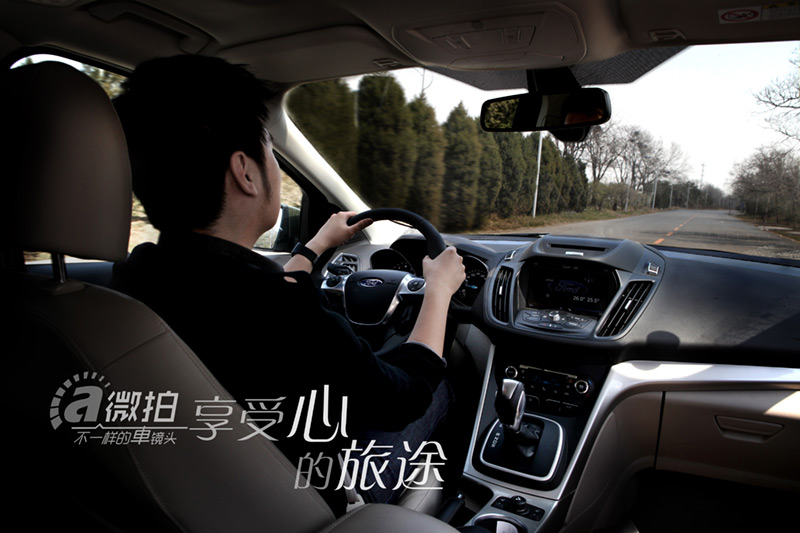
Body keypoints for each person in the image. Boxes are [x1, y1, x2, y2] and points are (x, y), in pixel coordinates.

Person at [110, 55, 465, 514]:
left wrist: (313, 248)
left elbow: (257, 296)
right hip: (308, 502)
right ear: (245, 172)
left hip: (204, 492)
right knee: (440, 388)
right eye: (269, 150)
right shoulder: (282, 314)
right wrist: (438, 292)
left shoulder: (138, 276)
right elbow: (404, 398)